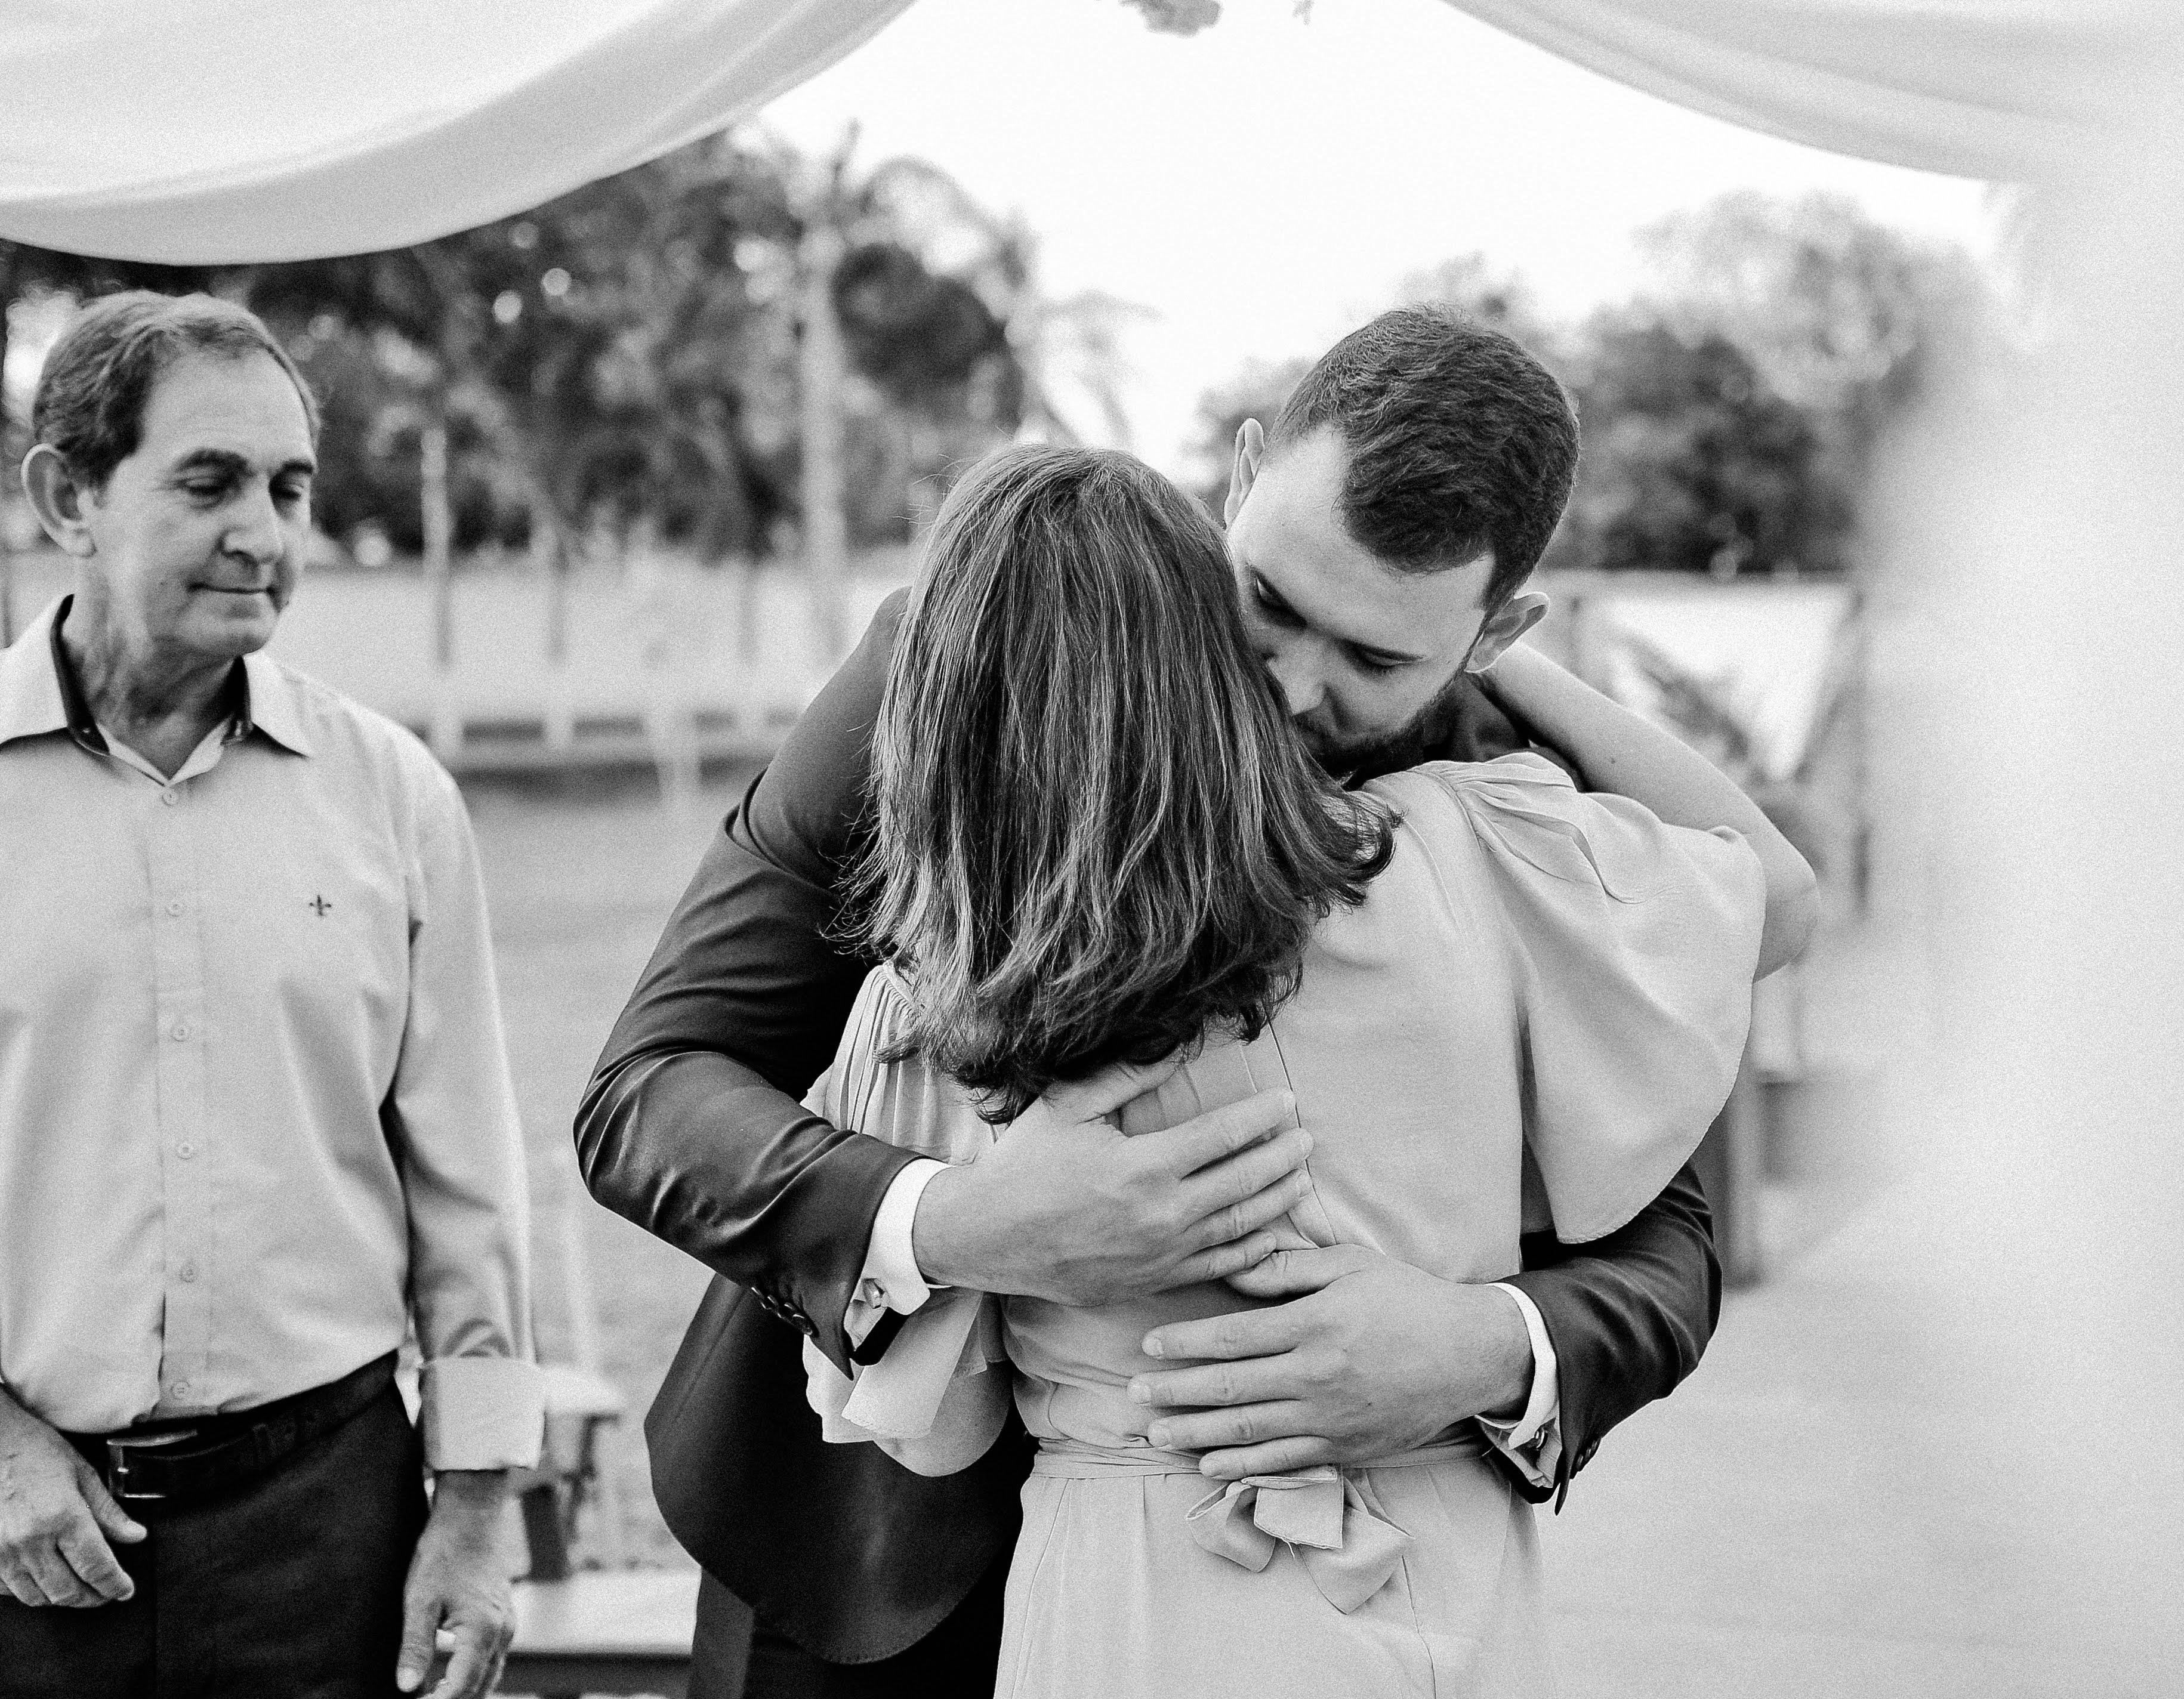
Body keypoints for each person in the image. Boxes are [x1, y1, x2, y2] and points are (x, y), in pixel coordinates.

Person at [577, 307, 1818, 1695]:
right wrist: (963, 1221)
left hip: (1265, 1600)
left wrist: (1481, 1344)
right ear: (1237, 478)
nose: (1294, 685)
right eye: (1275, 600)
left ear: (1489, 633)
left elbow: (1668, 1220)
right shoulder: (974, 653)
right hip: (856, 1554)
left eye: (1377, 657)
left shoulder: (1505, 783)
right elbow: (652, 1085)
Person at [0, 292, 542, 1699]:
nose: (267, 533)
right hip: (22, 1526)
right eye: (210, 481)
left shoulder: (392, 798)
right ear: (70, 494)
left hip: (325, 1523)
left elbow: (471, 1187)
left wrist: (476, 1512)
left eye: (290, 487)